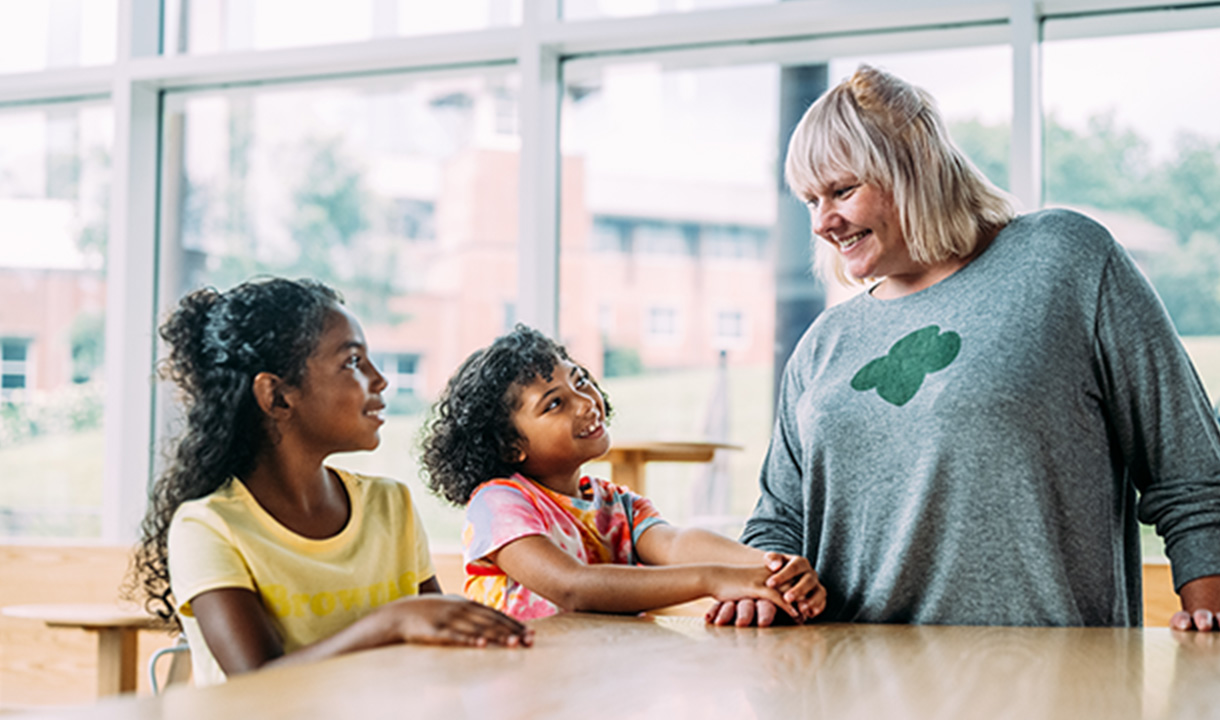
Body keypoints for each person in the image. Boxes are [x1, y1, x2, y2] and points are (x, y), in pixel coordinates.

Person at [709, 65, 1220, 629]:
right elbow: (777, 521)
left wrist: (1208, 634)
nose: (823, 223)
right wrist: (760, 581)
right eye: (810, 200)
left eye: (842, 191)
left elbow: (1191, 469)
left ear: (916, 165)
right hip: (848, 687)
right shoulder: (824, 345)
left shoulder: (1065, 259)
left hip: (1054, 690)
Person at [129, 277, 532, 686]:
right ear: (277, 396)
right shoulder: (207, 527)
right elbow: (254, 682)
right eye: (353, 362)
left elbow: (441, 645)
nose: (380, 380)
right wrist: (390, 624)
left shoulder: (390, 505)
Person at [419, 324, 826, 622]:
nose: (585, 402)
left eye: (579, 381)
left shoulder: (616, 504)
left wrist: (773, 568)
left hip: (600, 676)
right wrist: (714, 579)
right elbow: (571, 586)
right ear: (510, 446)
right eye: (554, 403)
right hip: (522, 687)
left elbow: (677, 543)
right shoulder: (498, 502)